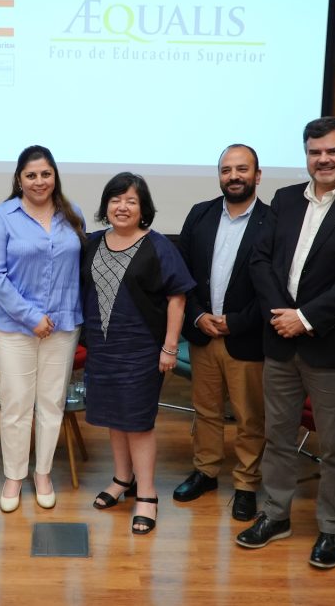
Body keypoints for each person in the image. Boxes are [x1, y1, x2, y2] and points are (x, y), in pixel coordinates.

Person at [237, 117, 335, 569]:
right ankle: (275, 515)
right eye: (314, 152)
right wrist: (282, 315)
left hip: (330, 346)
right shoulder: (285, 199)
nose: (323, 159)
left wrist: (304, 319)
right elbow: (260, 261)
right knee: (278, 437)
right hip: (280, 341)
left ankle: (331, 527)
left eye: (332, 151)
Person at [83, 172, 193, 534]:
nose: (122, 206)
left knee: (139, 423)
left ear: (143, 208)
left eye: (131, 200)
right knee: (115, 418)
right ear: (106, 206)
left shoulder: (158, 246)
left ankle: (147, 494)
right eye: (116, 199)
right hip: (102, 349)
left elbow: (177, 298)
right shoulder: (92, 242)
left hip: (142, 350)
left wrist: (170, 347)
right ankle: (121, 479)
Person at [0, 145, 86, 513]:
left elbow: (78, 269)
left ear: (54, 176)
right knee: (16, 404)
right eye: (31, 175)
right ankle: (14, 476)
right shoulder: (1, 217)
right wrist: (31, 317)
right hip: (14, 328)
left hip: (63, 325)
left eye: (45, 174)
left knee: (52, 403)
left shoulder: (72, 215)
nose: (39, 181)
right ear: (19, 179)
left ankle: (43, 473)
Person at [173, 144, 269, 521]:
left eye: (242, 169)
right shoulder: (200, 214)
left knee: (249, 417)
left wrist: (237, 321)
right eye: (227, 170)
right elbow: (181, 273)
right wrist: (197, 316)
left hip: (246, 336)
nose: (234, 176)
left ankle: (246, 483)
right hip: (203, 333)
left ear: (257, 175)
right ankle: (206, 472)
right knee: (206, 411)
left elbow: (275, 286)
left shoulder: (273, 221)